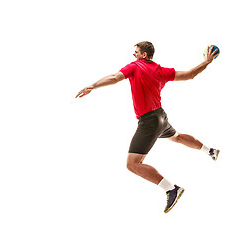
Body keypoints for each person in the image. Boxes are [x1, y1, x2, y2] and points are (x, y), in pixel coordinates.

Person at [76, 41, 220, 213]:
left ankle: (171, 188)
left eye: (136, 52)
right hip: (160, 116)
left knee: (133, 164)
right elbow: (190, 74)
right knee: (177, 137)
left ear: (144, 55)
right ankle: (210, 150)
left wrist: (92, 85)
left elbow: (115, 78)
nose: (133, 55)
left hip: (149, 121)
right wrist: (206, 62)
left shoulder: (135, 66)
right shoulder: (160, 70)